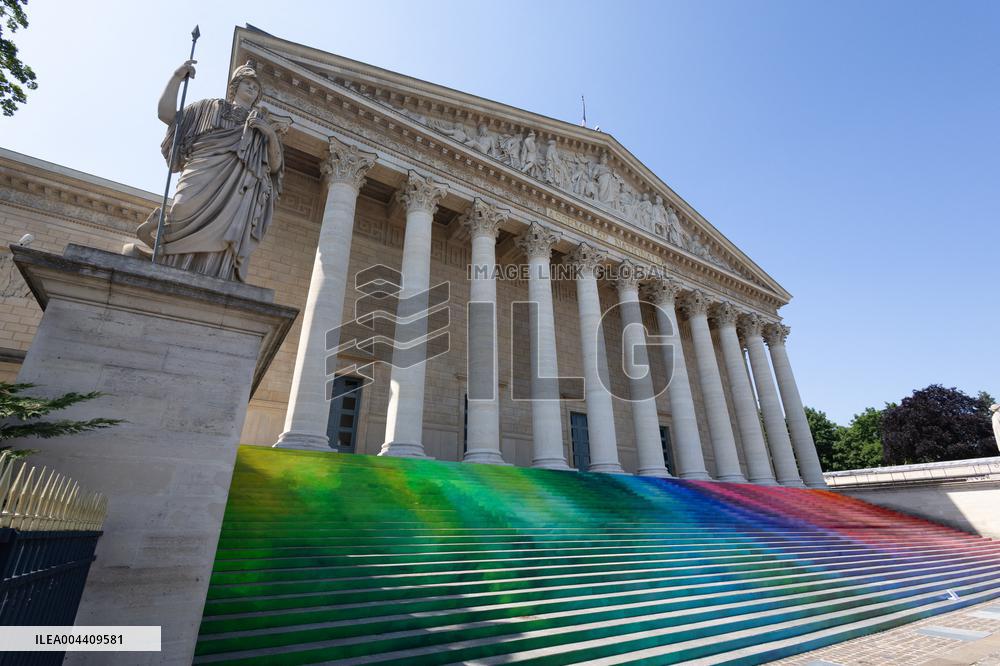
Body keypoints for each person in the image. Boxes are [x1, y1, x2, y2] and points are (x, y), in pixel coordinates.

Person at [136, 59, 284, 282]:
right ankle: (164, 254)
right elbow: (166, 115)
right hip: (201, 171)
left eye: (256, 86)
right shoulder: (209, 107)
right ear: (234, 86)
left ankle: (212, 274)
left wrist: (270, 134)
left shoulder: (260, 125)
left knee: (224, 234)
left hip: (237, 188)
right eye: (247, 82)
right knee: (181, 210)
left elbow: (275, 165)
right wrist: (176, 78)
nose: (252, 88)